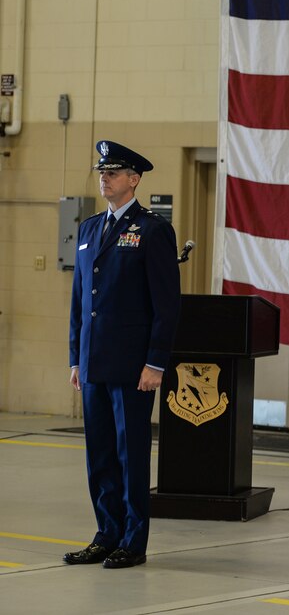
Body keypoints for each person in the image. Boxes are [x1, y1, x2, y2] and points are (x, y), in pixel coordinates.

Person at [65, 140, 181, 569]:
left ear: (134, 180)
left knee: (130, 453)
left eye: (112, 172)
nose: (104, 177)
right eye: (102, 171)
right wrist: (76, 357)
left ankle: (133, 540)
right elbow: (80, 300)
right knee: (99, 453)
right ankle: (106, 532)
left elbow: (166, 304)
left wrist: (155, 362)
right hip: (95, 362)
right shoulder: (90, 228)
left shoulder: (152, 230)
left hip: (134, 366)